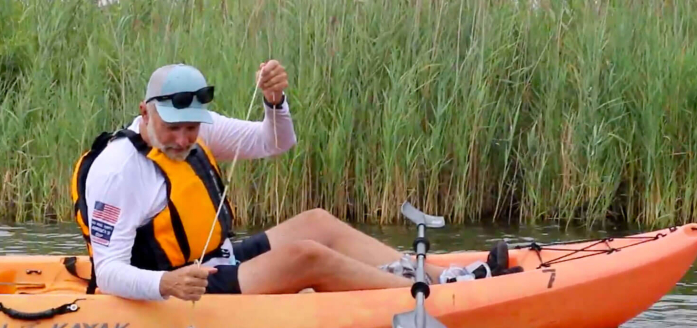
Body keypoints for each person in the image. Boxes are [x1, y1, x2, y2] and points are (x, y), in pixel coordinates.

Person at [70, 61, 520, 302]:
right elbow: (108, 274)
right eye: (174, 128)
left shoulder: (198, 131)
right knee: (306, 255)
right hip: (178, 284)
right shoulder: (118, 171)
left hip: (217, 259)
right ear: (146, 112)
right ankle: (432, 295)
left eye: (192, 127)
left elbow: (275, 143)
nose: (185, 138)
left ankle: (446, 276)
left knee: (318, 223)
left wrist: (274, 102)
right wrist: (165, 285)